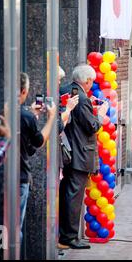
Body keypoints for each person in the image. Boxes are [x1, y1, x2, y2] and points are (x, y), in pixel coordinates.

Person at [59, 64, 109, 249]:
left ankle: (65, 234)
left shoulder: (65, 89)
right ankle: (69, 237)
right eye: (91, 82)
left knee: (67, 193)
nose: (91, 85)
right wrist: (101, 115)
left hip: (67, 151)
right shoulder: (82, 97)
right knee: (74, 196)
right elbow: (92, 126)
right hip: (80, 153)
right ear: (87, 81)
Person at [19, 72, 57, 242]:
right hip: (19, 176)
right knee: (15, 228)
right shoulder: (26, 116)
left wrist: (30, 112)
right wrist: (51, 118)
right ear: (23, 91)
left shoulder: (11, 111)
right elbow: (39, 142)